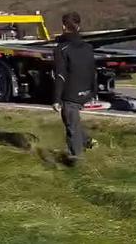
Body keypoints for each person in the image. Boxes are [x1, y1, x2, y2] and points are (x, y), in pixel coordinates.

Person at [52, 12, 97, 164]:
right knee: (72, 121)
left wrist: (56, 99)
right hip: (86, 91)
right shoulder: (88, 47)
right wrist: (93, 92)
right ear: (79, 26)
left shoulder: (61, 49)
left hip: (70, 93)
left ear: (64, 27)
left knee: (71, 126)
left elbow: (60, 75)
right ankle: (88, 141)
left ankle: (77, 161)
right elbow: (92, 71)